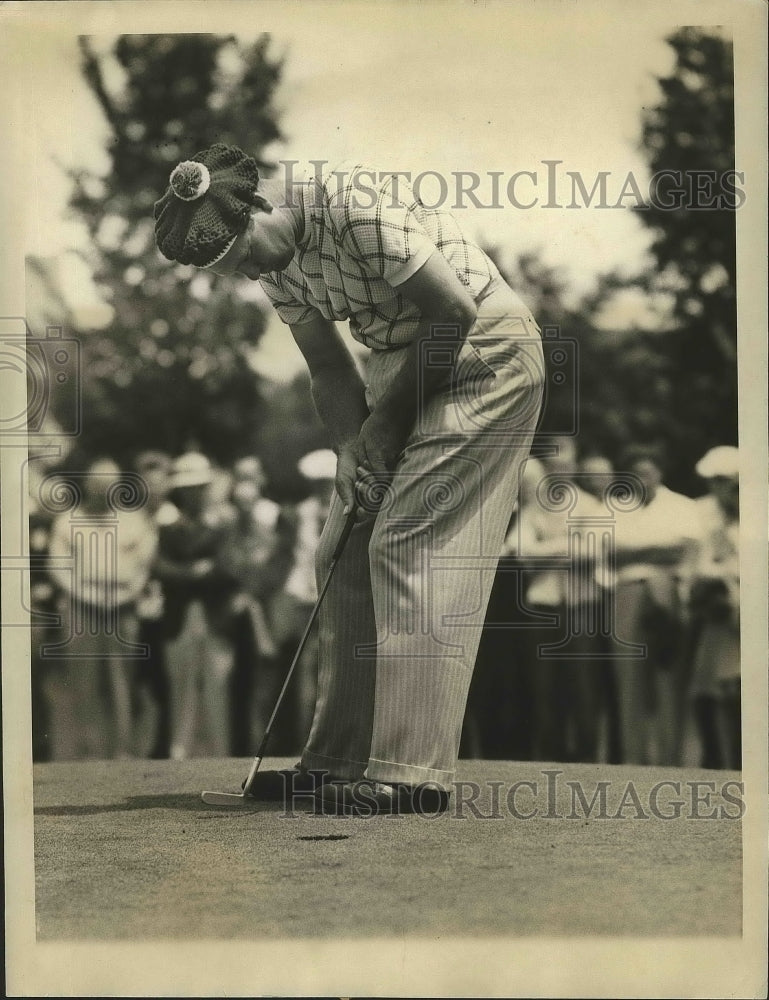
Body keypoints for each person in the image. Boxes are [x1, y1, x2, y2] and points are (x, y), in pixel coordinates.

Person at [154, 144, 544, 814]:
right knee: (341, 546)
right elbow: (330, 369)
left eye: (240, 253)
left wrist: (383, 428)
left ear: (259, 205)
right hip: (401, 364)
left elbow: (451, 313)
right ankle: (337, 760)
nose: (244, 271)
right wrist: (346, 450)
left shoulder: (346, 202)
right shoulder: (273, 263)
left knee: (405, 542)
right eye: (227, 269)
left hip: (483, 353)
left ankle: (409, 772)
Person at [45, 455, 157, 759]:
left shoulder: (134, 521)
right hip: (81, 607)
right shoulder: (67, 521)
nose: (104, 492)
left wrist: (126, 594)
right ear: (87, 486)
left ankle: (122, 750)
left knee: (123, 679)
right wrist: (89, 596)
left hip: (124, 607)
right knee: (84, 679)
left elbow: (144, 564)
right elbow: (58, 568)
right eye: (98, 486)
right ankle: (88, 752)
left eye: (111, 486)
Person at [610, 444, 700, 765]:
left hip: (668, 592)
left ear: (659, 473)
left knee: (668, 675)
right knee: (629, 677)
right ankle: (633, 759)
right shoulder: (617, 506)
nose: (642, 478)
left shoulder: (682, 506)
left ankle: (670, 759)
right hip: (627, 592)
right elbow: (610, 553)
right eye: (635, 472)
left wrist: (636, 551)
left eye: (647, 471)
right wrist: (657, 550)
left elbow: (683, 551)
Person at [154, 451, 240, 760]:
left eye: (199, 486)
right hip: (179, 618)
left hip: (215, 617)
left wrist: (185, 571)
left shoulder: (225, 524)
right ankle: (181, 752)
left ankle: (218, 754)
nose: (194, 493)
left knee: (217, 687)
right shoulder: (169, 525)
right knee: (181, 686)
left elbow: (227, 568)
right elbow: (159, 567)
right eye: (188, 487)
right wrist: (194, 570)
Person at [686, 446, 741, 769]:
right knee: (706, 686)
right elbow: (703, 566)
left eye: (727, 481)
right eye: (716, 481)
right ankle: (714, 759)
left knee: (736, 687)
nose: (720, 488)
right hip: (718, 609)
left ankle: (738, 760)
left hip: (744, 608)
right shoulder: (703, 512)